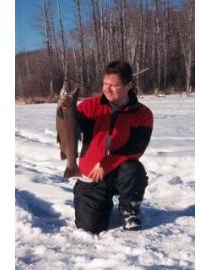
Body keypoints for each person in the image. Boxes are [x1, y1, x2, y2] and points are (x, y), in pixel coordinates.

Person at [64, 60, 153, 234]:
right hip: (92, 175)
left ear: (129, 85)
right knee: (90, 227)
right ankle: (97, 201)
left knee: (133, 169)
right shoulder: (89, 107)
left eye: (114, 85)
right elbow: (69, 129)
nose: (107, 89)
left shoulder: (143, 114)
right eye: (105, 84)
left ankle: (129, 209)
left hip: (120, 172)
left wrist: (106, 163)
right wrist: (66, 110)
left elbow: (135, 149)